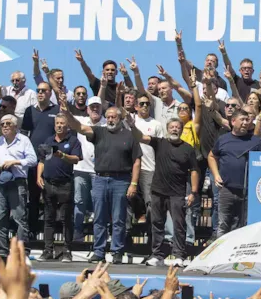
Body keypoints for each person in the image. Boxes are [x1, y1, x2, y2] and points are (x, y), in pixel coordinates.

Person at [63, 104, 142, 264]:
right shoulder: (99, 132)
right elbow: (79, 127)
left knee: (119, 219)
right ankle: (98, 251)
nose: (111, 119)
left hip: (121, 180)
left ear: (120, 119)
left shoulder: (129, 135)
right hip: (99, 179)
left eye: (114, 117)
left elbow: (137, 161)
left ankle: (117, 251)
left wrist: (133, 183)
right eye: (109, 117)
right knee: (99, 218)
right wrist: (67, 113)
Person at [130, 118, 198, 267]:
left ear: (181, 130)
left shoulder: (188, 148)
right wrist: (131, 125)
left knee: (179, 225)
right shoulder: (159, 143)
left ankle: (179, 255)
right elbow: (140, 137)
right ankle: (157, 255)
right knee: (157, 224)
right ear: (167, 129)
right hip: (158, 191)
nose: (174, 129)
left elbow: (194, 171)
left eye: (177, 127)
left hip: (178, 193)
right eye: (172, 127)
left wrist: (193, 192)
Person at [0, 114, 37, 257]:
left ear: (15, 126)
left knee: (19, 217)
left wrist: (15, 162)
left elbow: (33, 159)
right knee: (0, 217)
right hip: (1, 183)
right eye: (2, 124)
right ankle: (2, 249)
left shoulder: (24, 140)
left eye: (8, 123)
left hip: (17, 182)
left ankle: (22, 250)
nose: (5, 126)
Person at [207, 110, 261, 237]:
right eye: (242, 119)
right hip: (226, 188)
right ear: (233, 121)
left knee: (242, 226)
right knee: (223, 224)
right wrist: (216, 175)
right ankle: (221, 253)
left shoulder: (255, 141)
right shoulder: (223, 139)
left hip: (248, 191)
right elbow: (211, 156)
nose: (245, 122)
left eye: (247, 120)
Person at [36, 114, 82, 263]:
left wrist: (62, 155)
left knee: (65, 219)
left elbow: (76, 159)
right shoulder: (48, 141)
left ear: (67, 125)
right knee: (48, 218)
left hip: (65, 184)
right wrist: (39, 176)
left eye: (62, 123)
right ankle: (48, 250)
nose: (60, 125)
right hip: (49, 183)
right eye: (57, 123)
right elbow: (42, 161)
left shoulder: (73, 141)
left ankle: (67, 250)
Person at [21, 81, 60, 235]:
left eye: (44, 90)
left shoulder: (56, 110)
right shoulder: (30, 111)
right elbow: (24, 134)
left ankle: (51, 231)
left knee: (51, 197)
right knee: (33, 197)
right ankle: (32, 230)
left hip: (51, 160)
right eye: (38, 90)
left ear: (50, 92)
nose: (40, 93)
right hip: (33, 160)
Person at [72, 97, 105, 242]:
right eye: (92, 107)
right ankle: (77, 233)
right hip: (81, 168)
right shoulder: (81, 121)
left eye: (97, 106)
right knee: (79, 202)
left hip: (100, 170)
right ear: (87, 109)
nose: (95, 109)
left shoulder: (107, 122)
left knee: (100, 203)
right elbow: (66, 115)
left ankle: (99, 235)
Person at [131, 93, 166, 225]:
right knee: (128, 200)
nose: (145, 106)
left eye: (147, 104)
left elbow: (160, 147)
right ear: (136, 106)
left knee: (151, 202)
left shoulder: (156, 124)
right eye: (142, 104)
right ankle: (128, 235)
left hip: (149, 167)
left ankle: (152, 235)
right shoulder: (130, 121)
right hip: (130, 167)